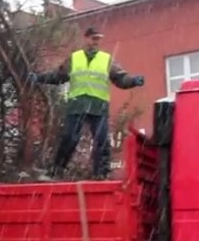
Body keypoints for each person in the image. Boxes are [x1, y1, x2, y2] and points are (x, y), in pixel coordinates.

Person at [27, 27, 145, 181]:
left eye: (98, 39)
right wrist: (39, 78)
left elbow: (120, 79)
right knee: (70, 138)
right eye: (93, 38)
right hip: (78, 104)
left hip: (98, 105)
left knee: (101, 140)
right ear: (86, 39)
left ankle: (101, 174)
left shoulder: (106, 59)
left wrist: (133, 81)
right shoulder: (75, 58)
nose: (96, 42)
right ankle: (56, 171)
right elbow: (58, 76)